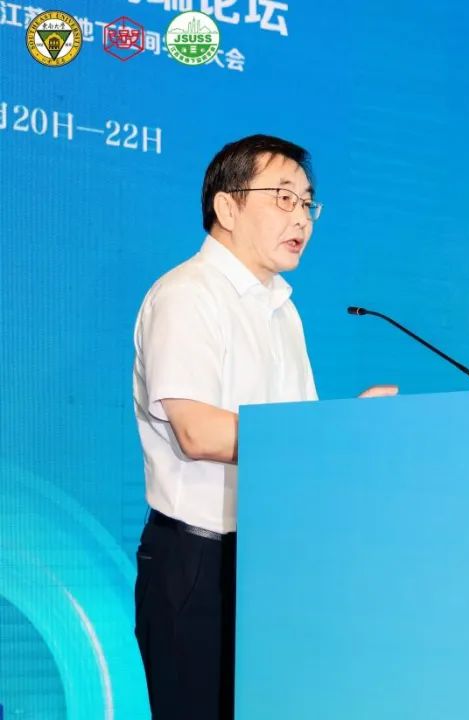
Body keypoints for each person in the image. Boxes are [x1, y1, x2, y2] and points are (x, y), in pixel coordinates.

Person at [131, 134, 395, 719]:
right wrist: (324, 435)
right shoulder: (186, 295)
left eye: (307, 203)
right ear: (227, 207)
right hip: (198, 564)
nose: (301, 217)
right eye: (283, 198)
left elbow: (299, 435)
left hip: (274, 558)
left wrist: (345, 427)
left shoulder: (282, 310)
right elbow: (197, 432)